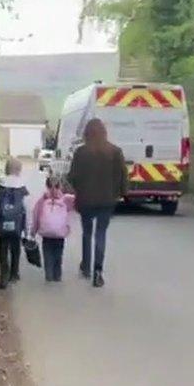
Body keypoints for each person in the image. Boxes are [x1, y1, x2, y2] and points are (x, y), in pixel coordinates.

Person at [67, 118, 127, 287]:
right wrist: (120, 193)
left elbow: (73, 177)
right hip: (107, 200)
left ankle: (86, 266)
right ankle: (98, 271)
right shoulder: (115, 152)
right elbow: (122, 175)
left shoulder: (81, 153)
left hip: (86, 200)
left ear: (86, 134)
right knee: (101, 234)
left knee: (87, 233)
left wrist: (78, 189)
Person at [0, 158, 29, 289]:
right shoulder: (21, 186)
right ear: (19, 170)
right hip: (16, 224)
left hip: (2, 223)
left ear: (7, 168)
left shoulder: (0, 184)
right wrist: (26, 229)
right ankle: (14, 273)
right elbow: (25, 208)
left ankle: (3, 276)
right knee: (15, 248)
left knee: (2, 248)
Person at [31, 176, 76, 282]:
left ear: (46, 186)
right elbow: (75, 203)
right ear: (60, 186)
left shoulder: (42, 200)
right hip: (60, 233)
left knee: (47, 253)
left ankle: (49, 275)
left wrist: (33, 230)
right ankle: (57, 274)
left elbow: (36, 215)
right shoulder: (65, 199)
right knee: (58, 253)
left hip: (46, 233)